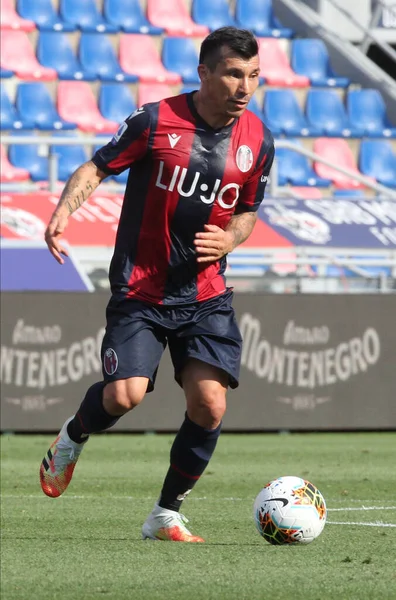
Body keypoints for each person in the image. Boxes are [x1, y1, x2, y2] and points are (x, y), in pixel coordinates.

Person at [40, 26, 275, 543]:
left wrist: (230, 241)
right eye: (234, 74)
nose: (245, 87)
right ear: (205, 72)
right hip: (142, 291)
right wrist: (62, 213)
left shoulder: (257, 139)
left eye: (254, 75)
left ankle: (165, 513)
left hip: (205, 293)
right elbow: (96, 168)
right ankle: (73, 436)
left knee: (210, 404)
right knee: (124, 397)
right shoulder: (154, 120)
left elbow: (248, 213)